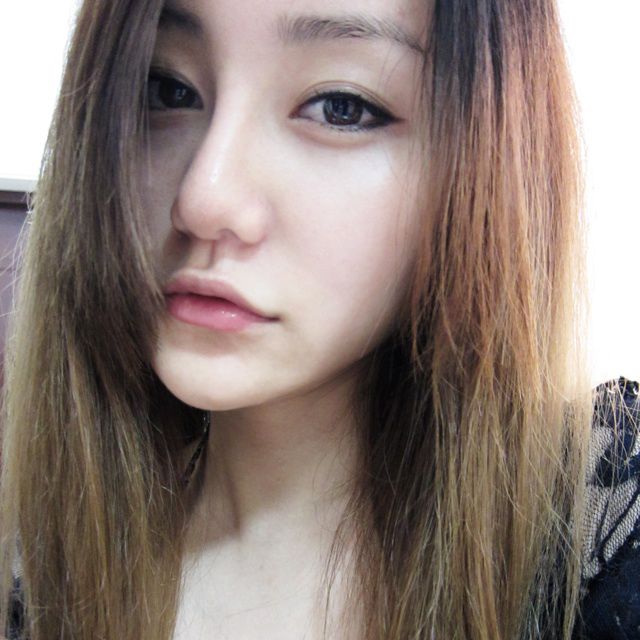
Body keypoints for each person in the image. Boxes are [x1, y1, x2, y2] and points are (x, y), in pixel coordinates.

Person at [0, 0, 638, 638]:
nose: (203, 199)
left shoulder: (604, 529)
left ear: (485, 171)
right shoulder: (43, 578)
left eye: (342, 107)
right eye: (167, 89)